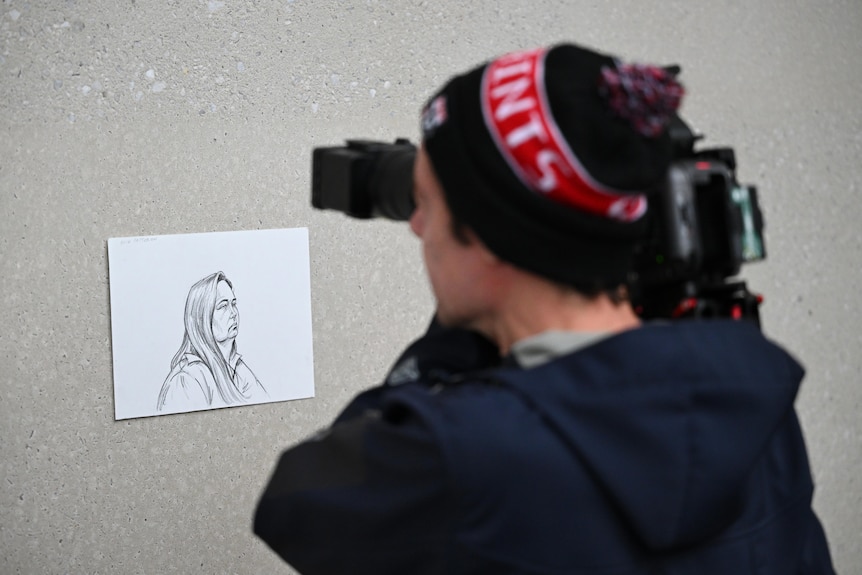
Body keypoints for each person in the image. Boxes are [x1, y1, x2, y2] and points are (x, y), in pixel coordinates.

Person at [253, 44, 835, 574]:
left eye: (425, 203)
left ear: (493, 244)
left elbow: (296, 502)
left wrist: (461, 340)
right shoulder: (755, 397)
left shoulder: (459, 453)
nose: (415, 226)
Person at [157, 271, 267, 413]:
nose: (233, 313)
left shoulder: (237, 368)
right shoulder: (187, 379)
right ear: (201, 318)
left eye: (234, 304)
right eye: (222, 306)